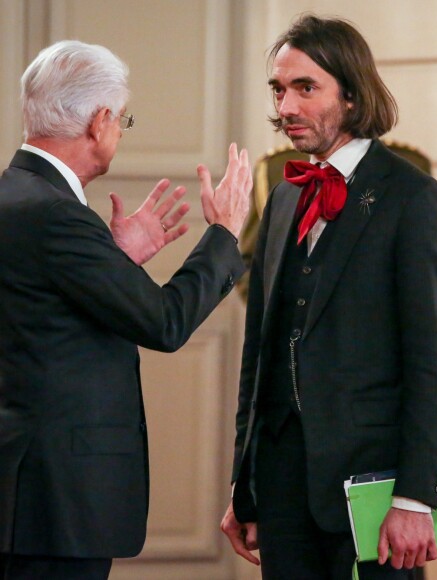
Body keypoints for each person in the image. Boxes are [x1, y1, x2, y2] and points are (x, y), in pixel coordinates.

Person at [0, 40, 251, 579]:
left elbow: (43, 313)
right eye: (123, 120)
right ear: (100, 121)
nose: (118, 131)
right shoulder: (57, 216)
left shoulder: (17, 195)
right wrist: (226, 234)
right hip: (53, 506)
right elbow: (165, 321)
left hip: (29, 499)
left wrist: (112, 261)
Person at [221, 15, 437, 580]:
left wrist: (415, 498)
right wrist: (244, 483)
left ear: (351, 96)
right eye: (279, 89)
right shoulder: (282, 197)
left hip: (373, 492)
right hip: (281, 485)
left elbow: (432, 361)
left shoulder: (414, 197)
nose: (286, 107)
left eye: (306, 88)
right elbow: (260, 356)